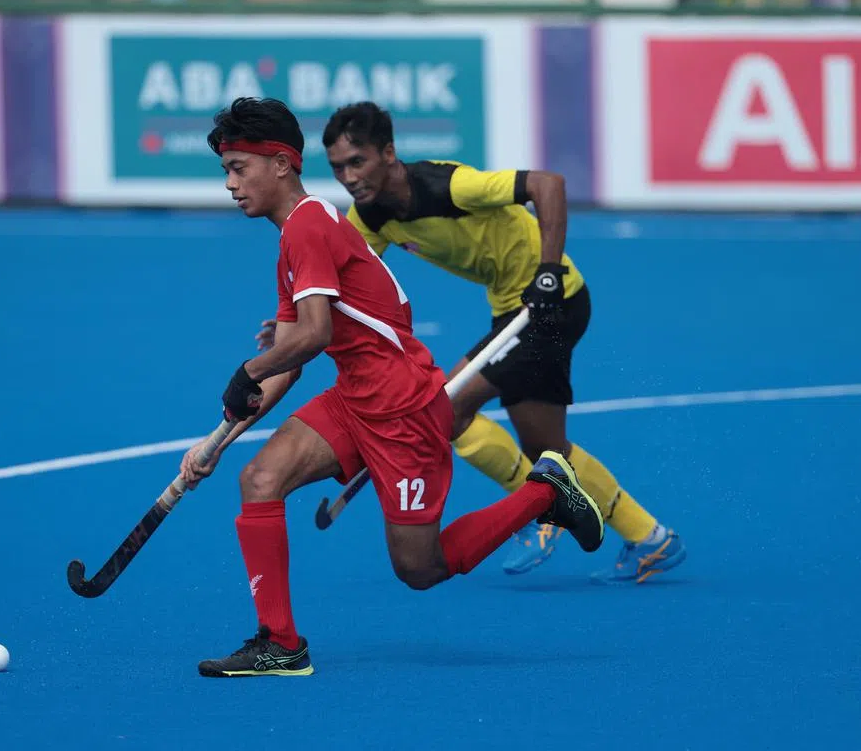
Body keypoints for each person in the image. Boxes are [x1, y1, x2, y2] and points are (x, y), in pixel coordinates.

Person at [180, 97, 604, 678]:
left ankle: (545, 492)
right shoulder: (297, 235)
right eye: (226, 171)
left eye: (238, 168)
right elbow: (289, 359)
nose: (229, 184)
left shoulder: (308, 227)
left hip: (402, 407)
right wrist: (216, 442)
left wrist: (244, 376)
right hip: (358, 397)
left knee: (421, 569)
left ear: (280, 163)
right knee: (260, 478)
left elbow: (311, 336)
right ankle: (280, 642)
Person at [304, 101, 686, 583]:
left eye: (357, 162)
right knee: (546, 446)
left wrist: (547, 273)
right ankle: (648, 537)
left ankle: (540, 518)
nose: (348, 177)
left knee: (448, 408)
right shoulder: (371, 218)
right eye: (338, 167)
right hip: (514, 314)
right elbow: (344, 276)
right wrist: (302, 315)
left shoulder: (449, 186)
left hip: (549, 304)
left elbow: (548, 184)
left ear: (388, 153)